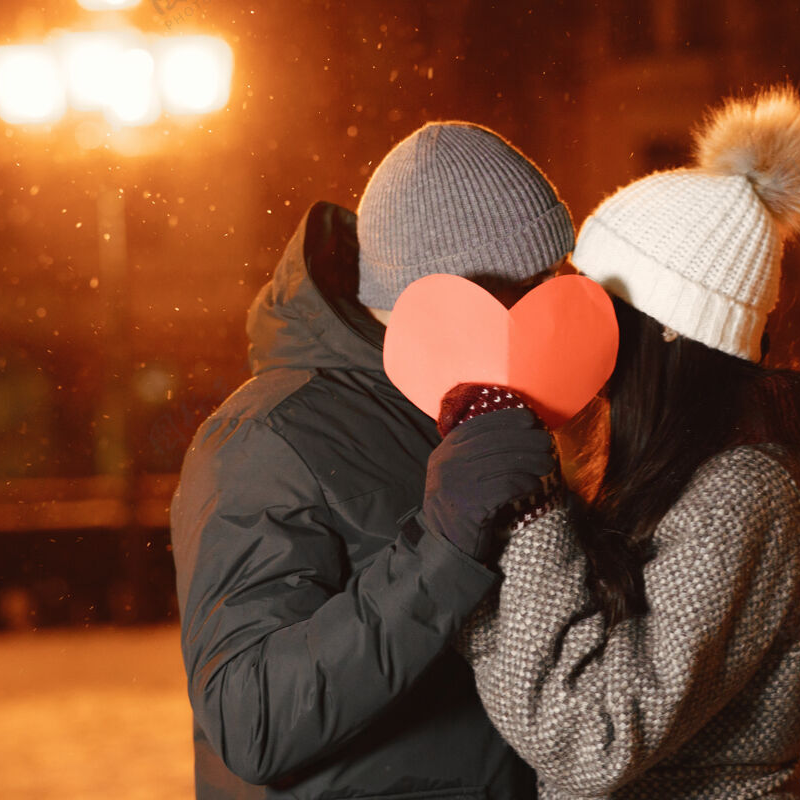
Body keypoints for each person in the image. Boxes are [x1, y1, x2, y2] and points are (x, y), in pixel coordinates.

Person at [422, 87, 800, 799]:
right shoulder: (685, 472)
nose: (562, 331)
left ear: (654, 335)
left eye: (586, 309)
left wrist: (522, 514)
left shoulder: (746, 492)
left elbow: (586, 741)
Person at [169, 121, 570, 799]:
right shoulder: (267, 436)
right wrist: (441, 550)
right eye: (530, 287)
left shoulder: (489, 402)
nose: (548, 309)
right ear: (449, 292)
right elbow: (251, 719)